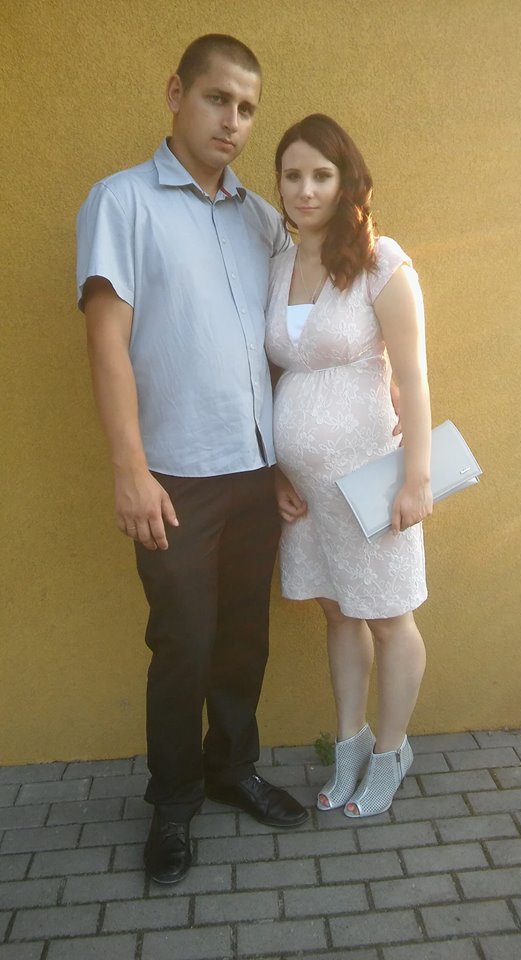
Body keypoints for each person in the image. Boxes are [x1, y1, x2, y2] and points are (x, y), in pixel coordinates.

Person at [76, 34, 308, 885]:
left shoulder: (260, 220)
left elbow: (285, 343)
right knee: (183, 644)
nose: (233, 121)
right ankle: (172, 803)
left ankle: (231, 769)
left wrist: (284, 460)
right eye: (218, 99)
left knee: (244, 636)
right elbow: (106, 342)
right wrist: (129, 470)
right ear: (176, 93)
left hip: (252, 472)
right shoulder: (121, 203)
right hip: (172, 477)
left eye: (246, 108)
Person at [265, 114, 432, 818]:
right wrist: (279, 470)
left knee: (388, 617)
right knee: (337, 614)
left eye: (321, 175)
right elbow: (276, 376)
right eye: (292, 175)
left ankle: (391, 753)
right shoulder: (279, 265)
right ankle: (349, 742)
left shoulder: (379, 261)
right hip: (306, 493)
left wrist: (416, 478)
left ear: (345, 182)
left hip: (371, 483)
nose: (305, 189)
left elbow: (413, 378)